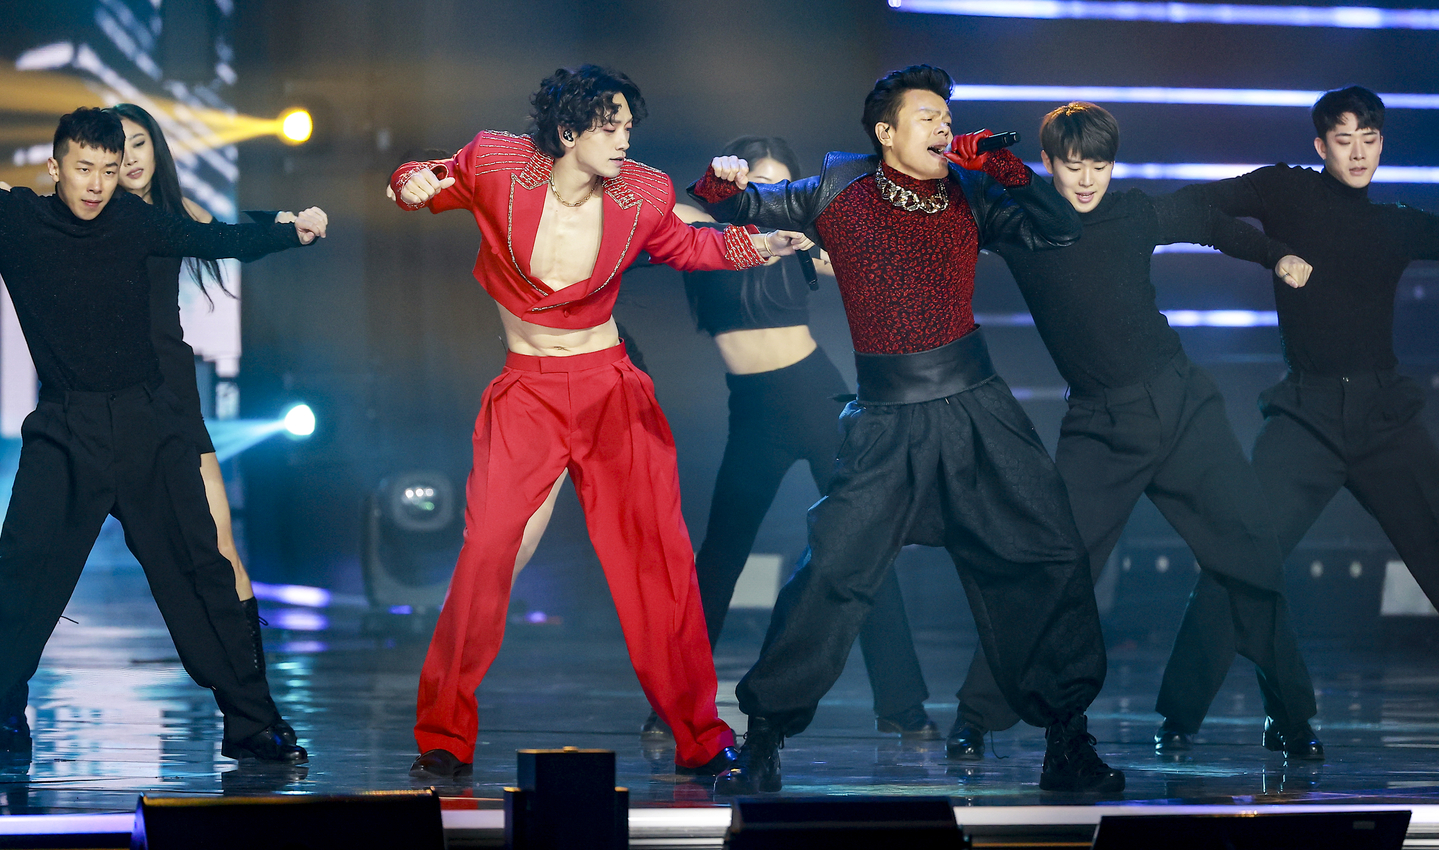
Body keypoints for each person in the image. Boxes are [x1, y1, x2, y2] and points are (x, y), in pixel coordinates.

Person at [689, 65, 1122, 794]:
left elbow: (1059, 230)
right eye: (927, 116)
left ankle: (1067, 739)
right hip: (886, 422)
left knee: (1048, 555)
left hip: (977, 410)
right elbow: (738, 206)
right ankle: (763, 737)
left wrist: (1005, 170)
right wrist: (721, 181)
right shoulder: (837, 189)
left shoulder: (972, 190)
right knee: (830, 573)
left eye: (946, 116)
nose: (943, 125)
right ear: (886, 133)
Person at [386, 65, 805, 784]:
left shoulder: (642, 191)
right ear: (568, 130)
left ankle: (701, 737)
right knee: (487, 552)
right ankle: (445, 734)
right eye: (610, 127)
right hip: (528, 392)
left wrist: (756, 247)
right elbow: (422, 182)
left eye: (628, 127)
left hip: (610, 389)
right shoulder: (496, 164)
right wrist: (408, 182)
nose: (623, 140)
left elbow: (686, 245)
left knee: (658, 563)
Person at [949, 102, 1323, 762]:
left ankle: (1291, 718)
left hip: (1182, 409)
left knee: (1248, 555)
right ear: (1047, 163)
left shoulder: (1133, 213)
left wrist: (1276, 255)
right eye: (1073, 165)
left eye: (1099, 165)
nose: (1086, 179)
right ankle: (976, 716)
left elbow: (1210, 222)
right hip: (1099, 427)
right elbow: (931, 222)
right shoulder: (1018, 223)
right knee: (1051, 570)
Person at [0, 107, 322, 765]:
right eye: (83, 169)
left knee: (200, 571)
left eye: (108, 170)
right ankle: (4, 712)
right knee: (21, 572)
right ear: (55, 167)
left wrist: (290, 232)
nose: (96, 184)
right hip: (66, 427)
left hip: (148, 425)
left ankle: (252, 723)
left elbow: (219, 238)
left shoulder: (135, 219)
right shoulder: (17, 220)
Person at [1162, 85, 1439, 743]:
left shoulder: (1395, 222)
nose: (1358, 153)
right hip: (1306, 416)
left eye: (1369, 140)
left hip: (1383, 417)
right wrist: (1268, 252)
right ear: (1321, 145)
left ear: (1381, 144)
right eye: (1344, 140)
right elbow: (1196, 205)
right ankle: (1182, 717)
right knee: (1241, 552)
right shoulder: (1286, 190)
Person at [668, 135, 935, 741]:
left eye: (780, 186)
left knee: (861, 543)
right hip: (752, 411)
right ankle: (675, 705)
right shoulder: (695, 229)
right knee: (720, 555)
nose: (770, 196)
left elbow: (866, 263)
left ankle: (903, 705)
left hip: (817, 398)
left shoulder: (798, 241)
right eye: (758, 183)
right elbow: (649, 198)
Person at [106, 102, 295, 746]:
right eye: (117, 146)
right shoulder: (89, 216)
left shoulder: (175, 214)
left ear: (157, 149)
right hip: (98, 405)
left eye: (139, 143)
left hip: (174, 399)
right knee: (46, 567)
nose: (130, 157)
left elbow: (232, 239)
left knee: (222, 553)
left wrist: (286, 226)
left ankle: (254, 712)